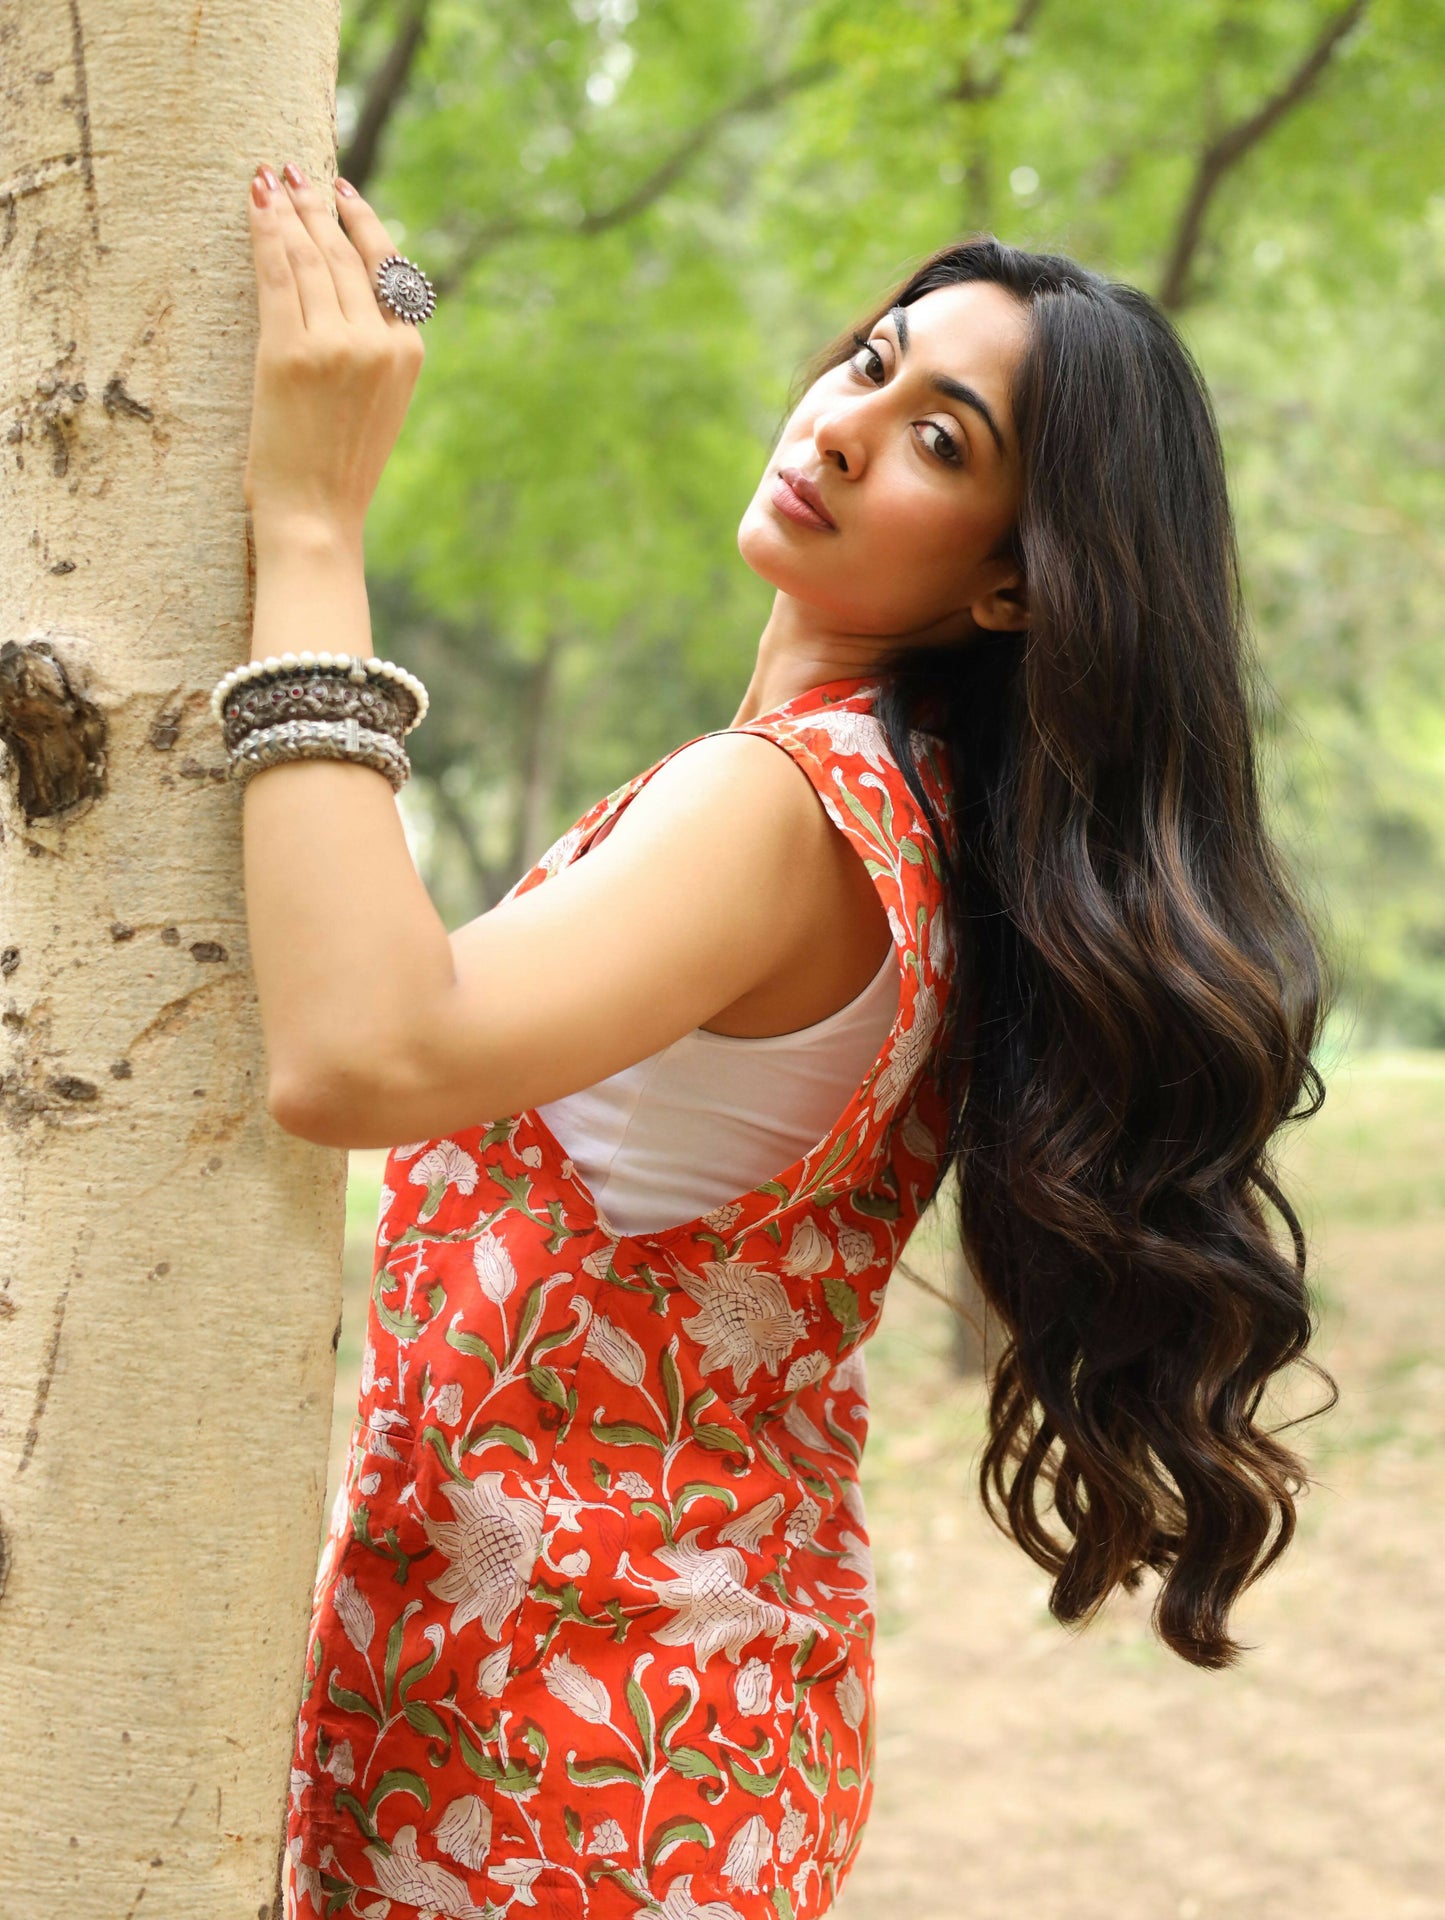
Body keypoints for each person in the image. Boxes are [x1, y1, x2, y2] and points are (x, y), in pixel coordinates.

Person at [239, 164, 1331, 1920]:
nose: (841, 427)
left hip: (554, 1779)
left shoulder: (791, 812)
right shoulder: (920, 819)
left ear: (1012, 589)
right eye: (871, 362)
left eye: (942, 443)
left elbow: (361, 1054)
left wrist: (308, 528)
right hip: (678, 1743)